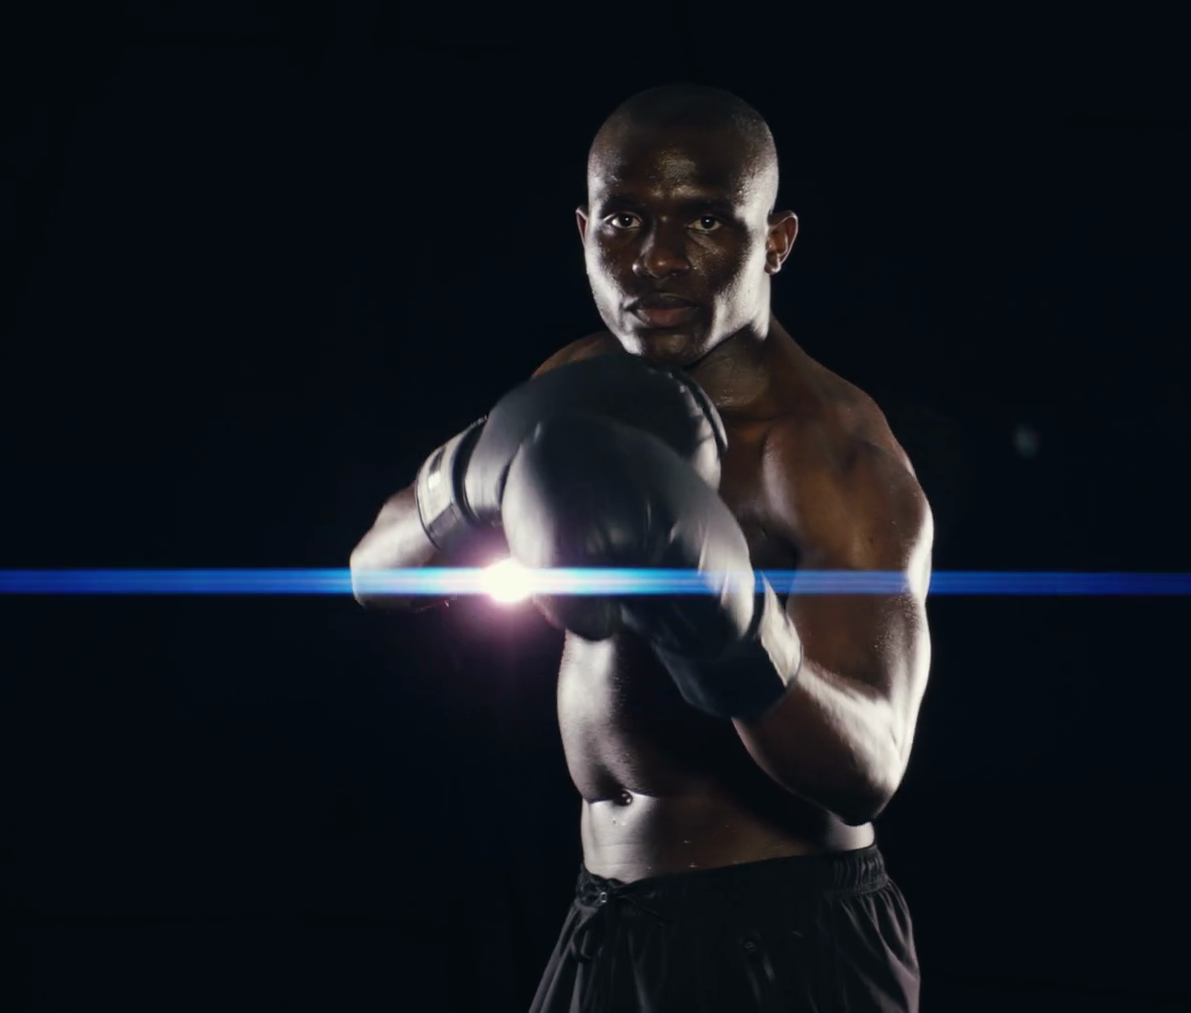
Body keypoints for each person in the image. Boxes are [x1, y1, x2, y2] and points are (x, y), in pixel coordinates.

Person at [350, 83, 930, 1012]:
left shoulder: (829, 455)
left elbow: (871, 770)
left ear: (775, 241)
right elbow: (372, 575)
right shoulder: (580, 383)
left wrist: (733, 628)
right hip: (608, 920)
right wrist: (463, 476)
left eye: (705, 219)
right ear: (584, 231)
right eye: (624, 219)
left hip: (785, 937)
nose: (656, 258)